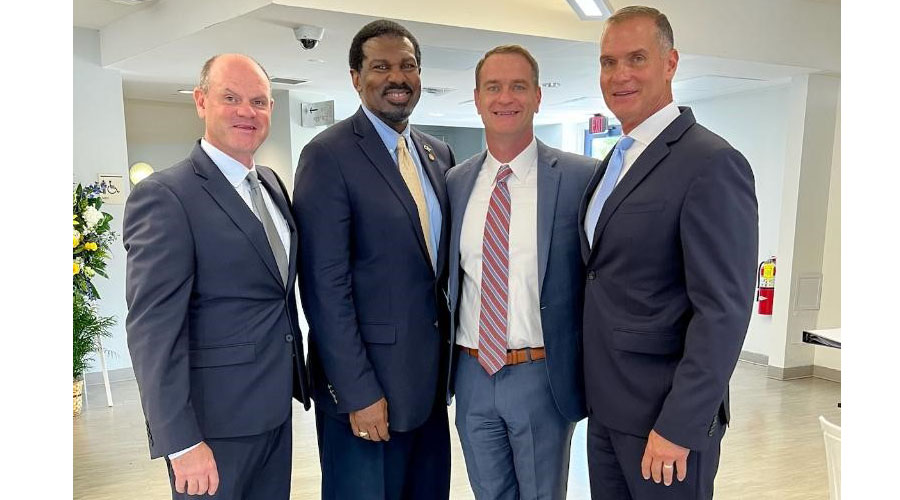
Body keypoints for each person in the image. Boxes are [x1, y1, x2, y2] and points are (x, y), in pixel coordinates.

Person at [579, 6, 759, 499]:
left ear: (670, 62)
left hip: (664, 419)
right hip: (608, 410)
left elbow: (723, 310)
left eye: (636, 58)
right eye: (608, 62)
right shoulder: (615, 161)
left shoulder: (711, 163)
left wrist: (679, 425)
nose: (620, 75)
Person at [123, 53, 310, 500]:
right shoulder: (166, 196)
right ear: (201, 101)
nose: (247, 112)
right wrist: (182, 443)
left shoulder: (269, 184)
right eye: (231, 98)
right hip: (212, 428)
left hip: (274, 411)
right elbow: (152, 331)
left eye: (259, 101)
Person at [292, 19, 456, 500]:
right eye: (380, 66)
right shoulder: (328, 155)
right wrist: (358, 392)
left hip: (428, 388)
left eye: (408, 66)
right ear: (355, 77)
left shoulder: (437, 153)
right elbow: (324, 288)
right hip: (367, 393)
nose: (396, 78)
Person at [445, 45, 597, 500]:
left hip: (541, 375)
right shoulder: (456, 182)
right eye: (493, 87)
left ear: (537, 97)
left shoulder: (579, 177)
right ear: (476, 98)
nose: (505, 97)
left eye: (518, 86)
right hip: (471, 372)